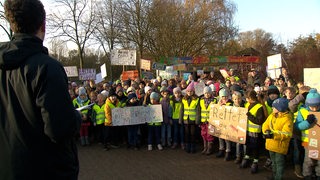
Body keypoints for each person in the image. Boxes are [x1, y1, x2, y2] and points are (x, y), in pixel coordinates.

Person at [0, 0, 81, 179]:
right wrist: (75, 116)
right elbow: (59, 129)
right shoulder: (47, 68)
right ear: (43, 25)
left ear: (12, 25)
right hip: (43, 169)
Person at [262, 98, 293, 180]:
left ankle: (278, 177)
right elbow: (265, 124)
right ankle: (274, 175)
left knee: (279, 163)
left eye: (274, 107)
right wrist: (266, 131)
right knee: (274, 162)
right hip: (271, 144)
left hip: (280, 146)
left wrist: (273, 135)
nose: (272, 108)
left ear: (280, 109)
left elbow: (287, 134)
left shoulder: (287, 119)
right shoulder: (271, 116)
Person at [294, 88, 320, 179]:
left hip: (319, 142)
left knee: (319, 160)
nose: (314, 108)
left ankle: (318, 174)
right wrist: (307, 122)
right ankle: (307, 174)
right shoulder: (302, 111)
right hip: (307, 142)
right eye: (312, 106)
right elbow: (297, 126)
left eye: (317, 106)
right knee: (308, 160)